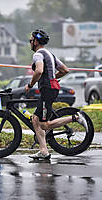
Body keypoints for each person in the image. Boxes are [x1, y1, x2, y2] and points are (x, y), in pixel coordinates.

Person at [25, 29, 88, 160]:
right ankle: (43, 151)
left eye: (31, 40)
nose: (30, 42)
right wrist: (52, 77)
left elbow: (39, 71)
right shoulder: (49, 54)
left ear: (36, 42)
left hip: (48, 90)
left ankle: (75, 118)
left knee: (44, 125)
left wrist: (30, 85)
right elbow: (65, 70)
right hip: (51, 88)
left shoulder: (38, 54)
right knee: (35, 120)